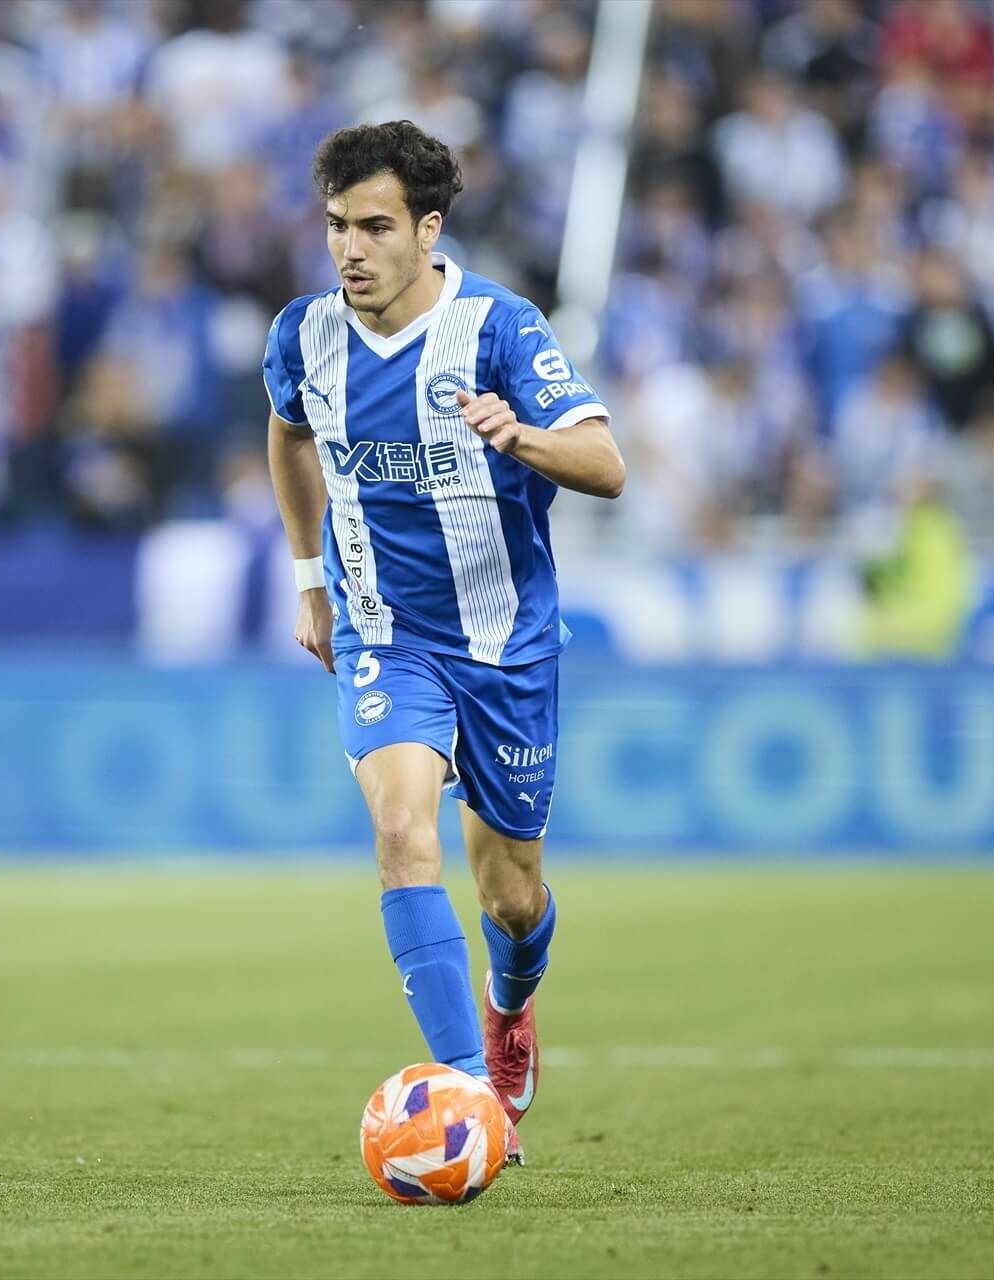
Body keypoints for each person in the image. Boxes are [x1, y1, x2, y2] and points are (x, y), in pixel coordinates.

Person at [262, 122, 624, 1167]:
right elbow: (288, 431)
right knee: (402, 832)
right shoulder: (304, 334)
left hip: (505, 645)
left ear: (428, 228)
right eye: (336, 225)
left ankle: (511, 1004)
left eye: (374, 226)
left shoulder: (501, 328)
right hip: (386, 636)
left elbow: (605, 464)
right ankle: (472, 1093)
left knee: (512, 892)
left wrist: (525, 437)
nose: (350, 249)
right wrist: (307, 574)